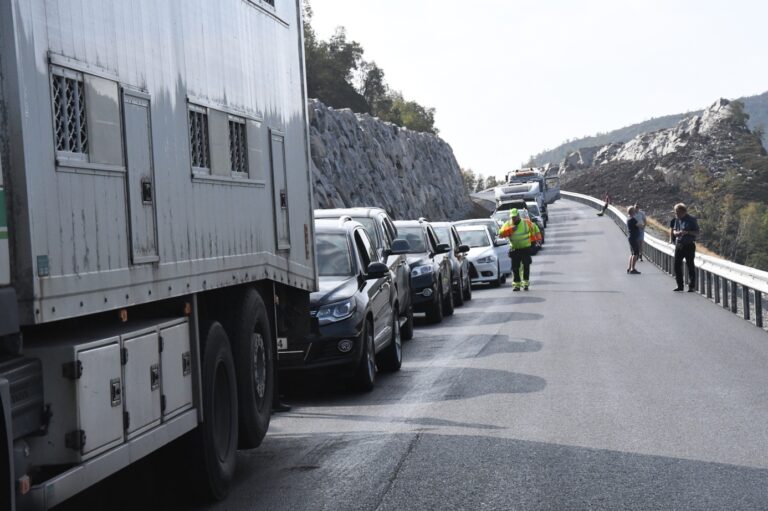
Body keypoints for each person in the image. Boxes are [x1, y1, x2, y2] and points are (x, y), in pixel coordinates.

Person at [499, 208, 542, 291]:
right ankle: (517, 285)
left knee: (526, 266)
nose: (514, 219)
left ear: (518, 216)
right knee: (515, 268)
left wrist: (538, 239)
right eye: (512, 217)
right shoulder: (508, 224)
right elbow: (501, 233)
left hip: (525, 248)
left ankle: (525, 283)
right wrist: (510, 230)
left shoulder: (526, 223)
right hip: (515, 249)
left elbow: (536, 229)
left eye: (515, 217)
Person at [671, 203, 700, 292]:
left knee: (690, 265)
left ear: (683, 211)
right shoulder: (677, 220)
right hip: (679, 245)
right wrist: (677, 233)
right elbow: (674, 231)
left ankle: (692, 286)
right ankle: (680, 286)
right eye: (676, 213)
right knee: (676, 266)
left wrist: (687, 232)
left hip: (689, 245)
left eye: (677, 212)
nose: (676, 214)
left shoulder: (691, 220)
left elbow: (697, 232)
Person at [626, 207, 641, 274]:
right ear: (632, 212)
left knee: (632, 253)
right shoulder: (633, 219)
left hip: (630, 237)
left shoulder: (628, 219)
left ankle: (629, 268)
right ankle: (633, 269)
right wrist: (642, 225)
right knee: (636, 253)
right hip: (633, 238)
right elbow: (639, 225)